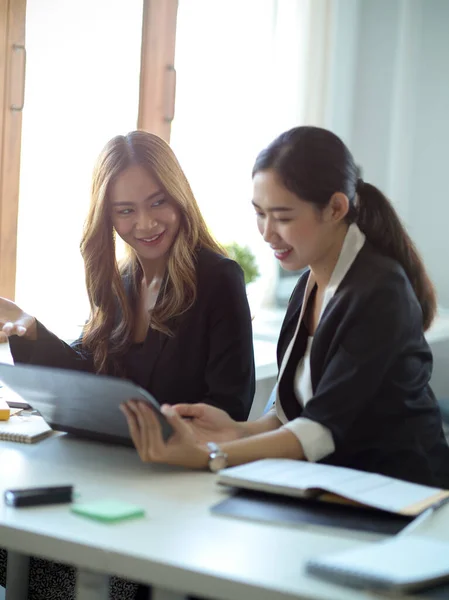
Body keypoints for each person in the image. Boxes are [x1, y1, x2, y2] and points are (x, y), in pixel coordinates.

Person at [0, 130, 255, 599]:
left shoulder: (219, 279)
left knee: (61, 565)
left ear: (180, 198)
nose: (146, 223)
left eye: (158, 203)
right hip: (114, 475)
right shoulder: (122, 280)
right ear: (108, 217)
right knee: (20, 547)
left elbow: (230, 406)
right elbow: (91, 374)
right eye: (126, 211)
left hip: (173, 491)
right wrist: (28, 327)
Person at [121, 125, 449, 490]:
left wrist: (210, 454)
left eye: (283, 217)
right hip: (336, 486)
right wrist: (235, 431)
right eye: (260, 214)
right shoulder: (308, 284)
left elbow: (320, 430)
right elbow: (294, 412)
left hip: (403, 495)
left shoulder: (380, 293)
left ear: (336, 208)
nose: (267, 232)